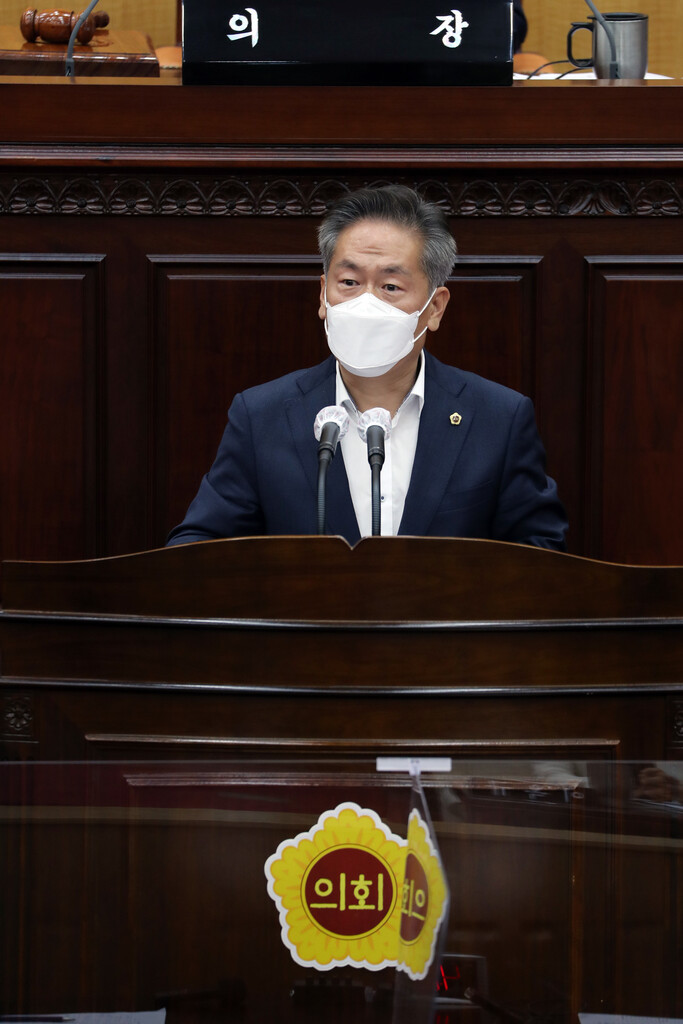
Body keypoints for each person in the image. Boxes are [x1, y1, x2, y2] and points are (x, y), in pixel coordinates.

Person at [167, 185, 567, 549]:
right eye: (349, 283)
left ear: (435, 308)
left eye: (390, 287)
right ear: (323, 295)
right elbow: (196, 549)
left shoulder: (499, 418)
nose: (366, 302)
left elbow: (541, 556)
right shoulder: (261, 416)